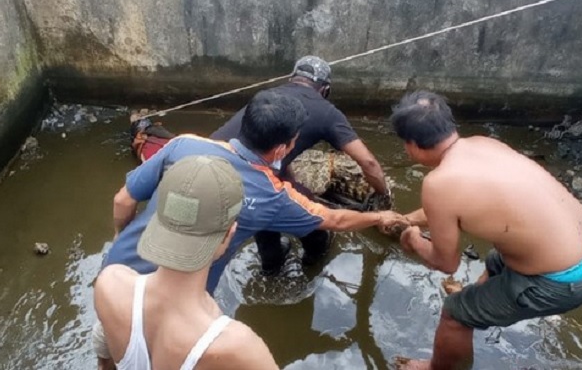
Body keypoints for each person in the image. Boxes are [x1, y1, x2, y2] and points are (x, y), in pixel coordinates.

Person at [95, 90, 406, 367]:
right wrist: (379, 217)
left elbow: (122, 201)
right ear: (283, 148)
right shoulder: (231, 343)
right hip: (187, 326)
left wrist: (119, 238)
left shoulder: (183, 145)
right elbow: (333, 219)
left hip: (120, 299)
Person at [390, 91, 582, 370]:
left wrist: (412, 239)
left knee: (454, 313)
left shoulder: (438, 184)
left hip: (560, 282)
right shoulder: (482, 143)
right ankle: (479, 297)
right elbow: (446, 210)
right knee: (495, 258)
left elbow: (446, 262)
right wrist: (408, 219)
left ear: (412, 145)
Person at [94, 155, 278, 370]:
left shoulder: (110, 284)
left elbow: (104, 352)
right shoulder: (236, 346)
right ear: (229, 233)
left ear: (158, 221)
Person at [211, 55, 390, 275]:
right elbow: (368, 162)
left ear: (291, 78)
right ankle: (312, 265)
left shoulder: (265, 99)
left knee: (263, 213)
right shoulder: (325, 112)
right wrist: (384, 197)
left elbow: (266, 154)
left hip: (208, 172)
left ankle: (271, 269)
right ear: (325, 89)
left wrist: (290, 180)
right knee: (318, 228)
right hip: (254, 182)